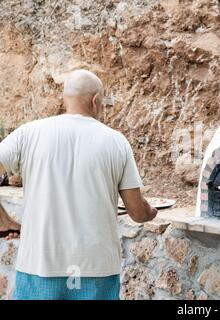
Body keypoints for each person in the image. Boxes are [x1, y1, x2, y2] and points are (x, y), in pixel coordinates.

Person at [0, 69, 157, 300]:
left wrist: (4, 220)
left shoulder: (28, 134)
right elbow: (137, 212)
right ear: (96, 100)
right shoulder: (116, 141)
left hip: (39, 266)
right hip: (97, 271)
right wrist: (151, 211)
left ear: (65, 99)